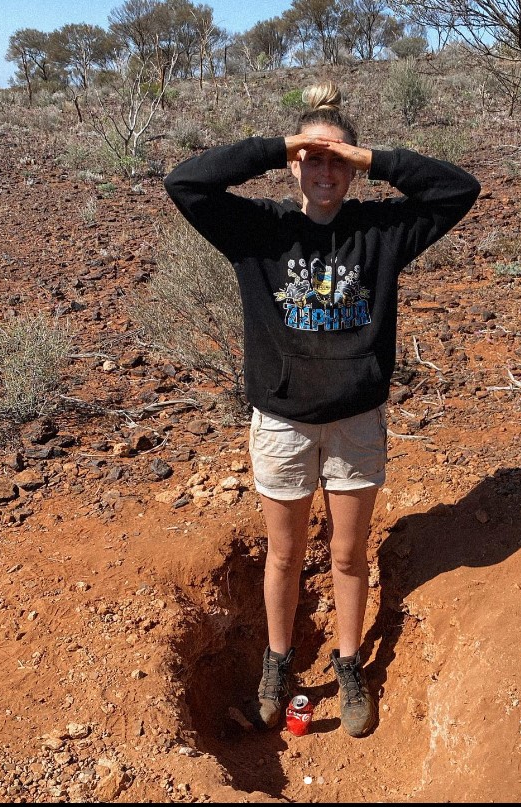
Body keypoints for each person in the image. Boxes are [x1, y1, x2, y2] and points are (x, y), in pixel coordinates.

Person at [164, 81, 480, 737]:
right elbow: (187, 183)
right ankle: (277, 665)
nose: (325, 169)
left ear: (354, 166)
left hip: (356, 422)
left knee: (347, 554)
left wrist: (376, 160)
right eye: (313, 157)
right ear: (294, 164)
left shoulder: (381, 234)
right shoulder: (258, 231)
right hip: (282, 421)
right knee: (282, 557)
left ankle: (346, 663)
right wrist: (281, 144)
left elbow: (458, 190)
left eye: (338, 159)